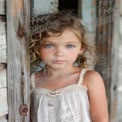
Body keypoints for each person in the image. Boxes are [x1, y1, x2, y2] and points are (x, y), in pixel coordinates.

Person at [30, 11, 108, 122]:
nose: (59, 53)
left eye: (69, 46)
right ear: (37, 48)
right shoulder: (32, 82)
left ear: (81, 48)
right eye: (49, 45)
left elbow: (101, 119)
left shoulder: (89, 78)